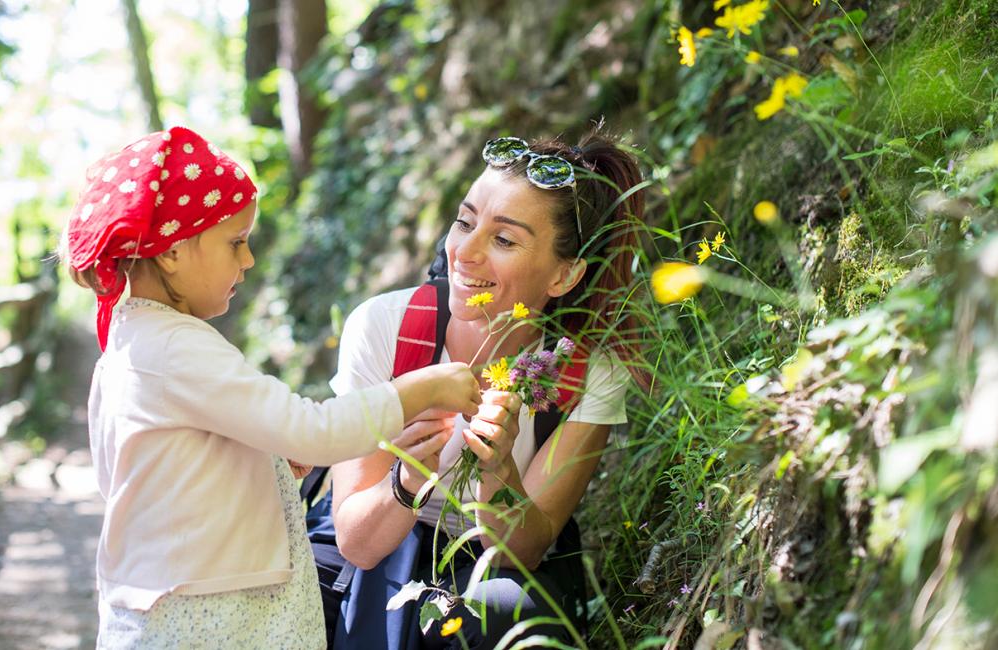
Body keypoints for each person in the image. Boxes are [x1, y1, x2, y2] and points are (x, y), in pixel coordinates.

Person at [60, 125, 483, 649]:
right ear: (170, 252)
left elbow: (158, 473)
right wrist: (421, 389)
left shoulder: (134, 343)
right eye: (235, 242)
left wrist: (258, 457)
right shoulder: (176, 347)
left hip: (172, 600)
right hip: (210, 614)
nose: (249, 259)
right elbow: (314, 431)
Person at [326, 131, 649, 649]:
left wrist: (500, 469)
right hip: (387, 529)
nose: (464, 253)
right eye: (464, 222)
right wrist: (407, 480)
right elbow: (358, 543)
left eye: (503, 239)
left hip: (496, 552)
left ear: (564, 275)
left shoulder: (584, 369)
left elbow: (518, 553)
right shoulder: (386, 330)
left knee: (499, 618)